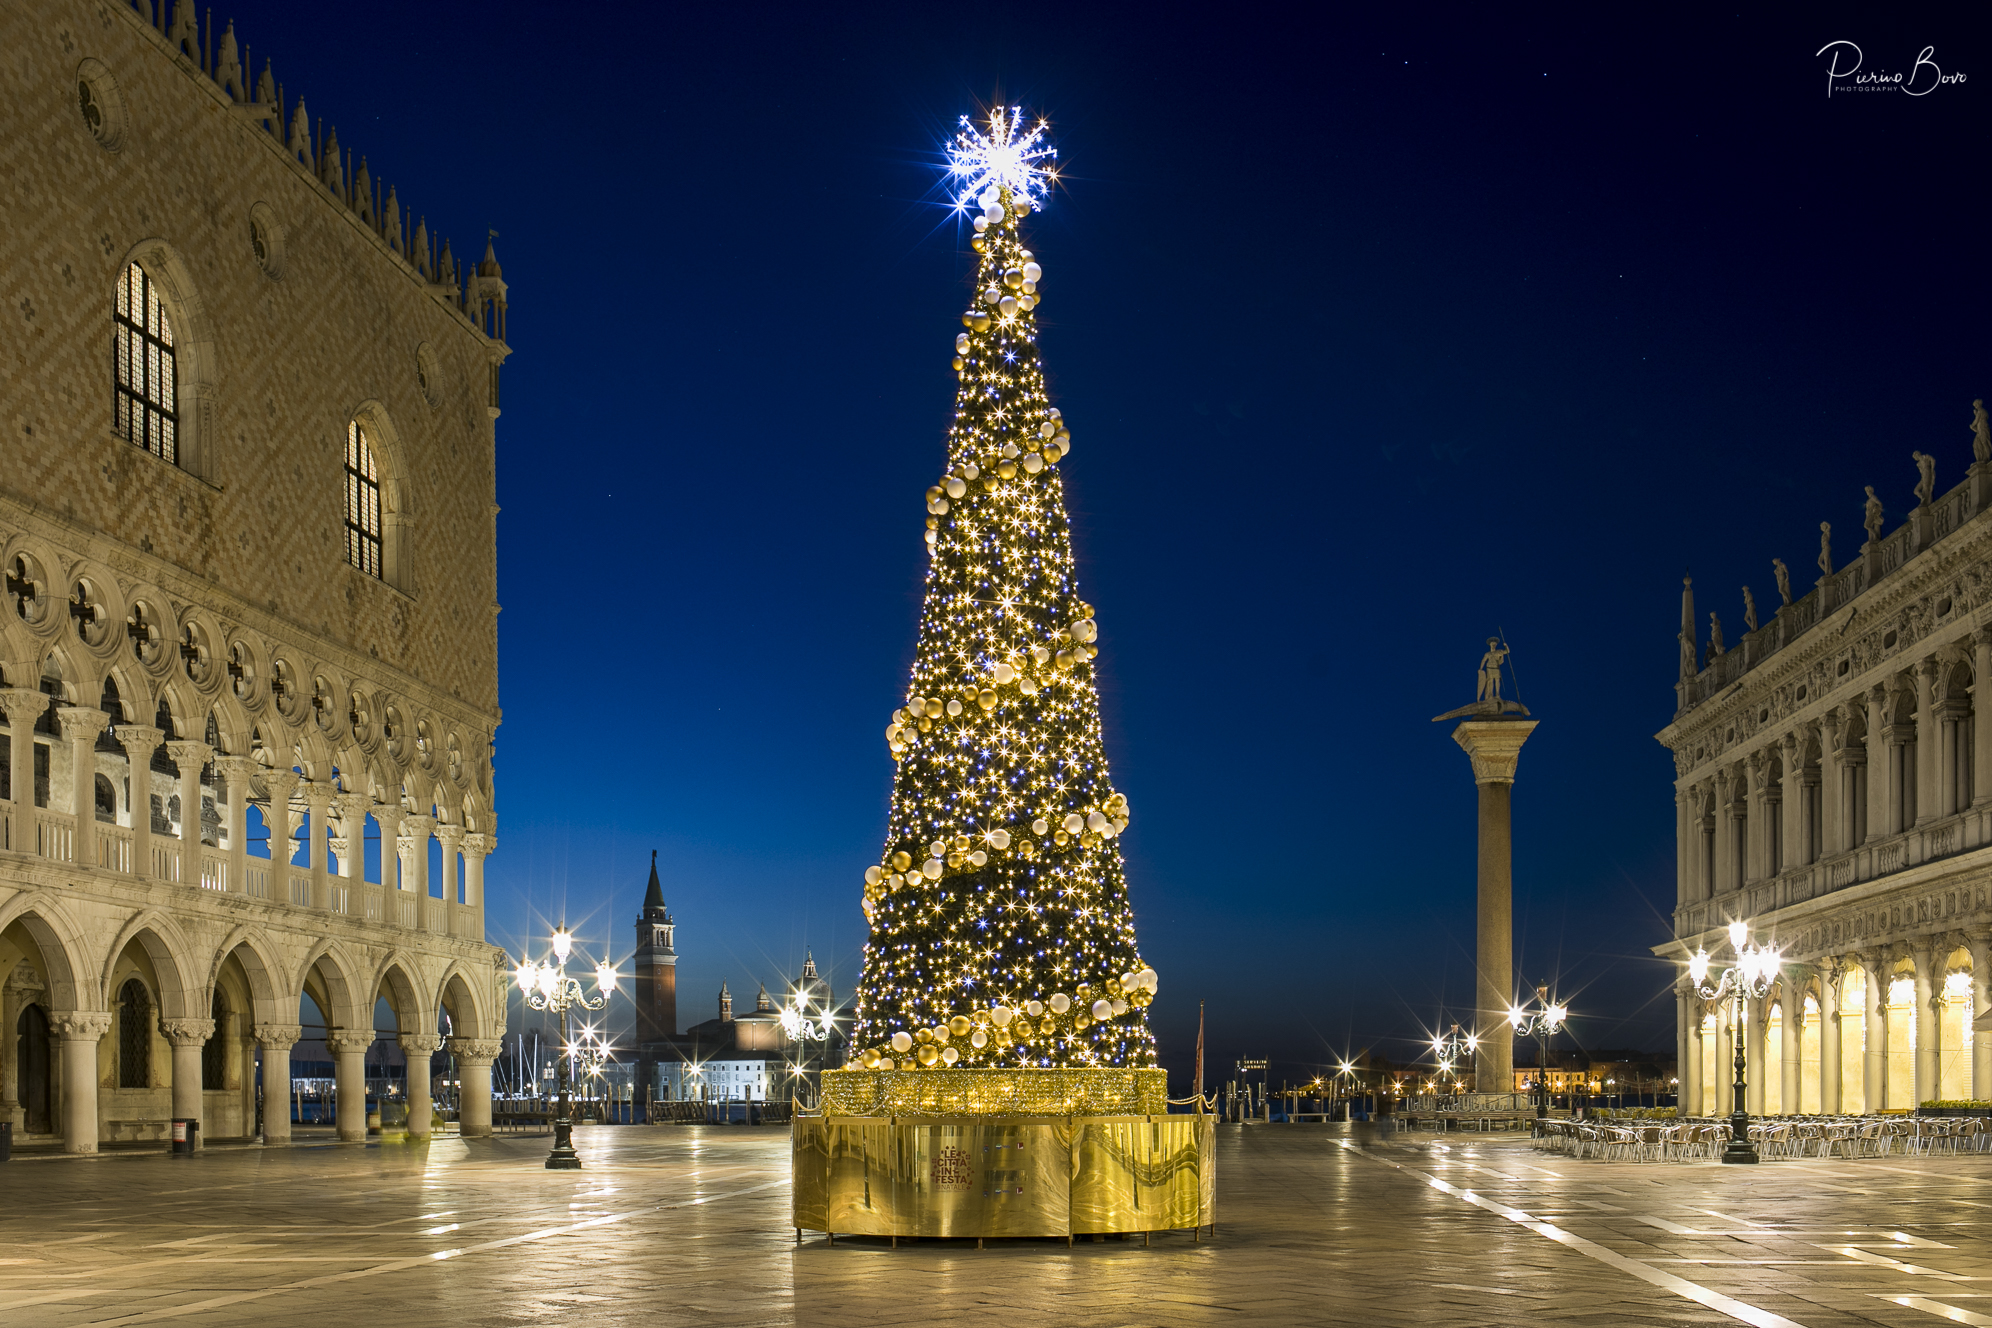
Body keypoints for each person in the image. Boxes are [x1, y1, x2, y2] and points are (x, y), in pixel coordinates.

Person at [1476, 637, 1509, 703]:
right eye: (1492, 644)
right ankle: (1490, 695)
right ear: (1490, 645)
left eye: (1494, 644)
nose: (1493, 645)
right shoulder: (1487, 654)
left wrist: (1506, 646)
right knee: (1490, 681)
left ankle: (1497, 695)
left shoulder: (1499, 652)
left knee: (1497, 681)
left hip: (1496, 668)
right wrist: (1480, 668)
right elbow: (1483, 660)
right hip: (1489, 668)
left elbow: (1507, 651)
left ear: (1496, 645)